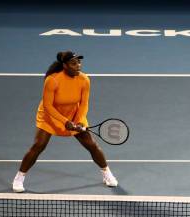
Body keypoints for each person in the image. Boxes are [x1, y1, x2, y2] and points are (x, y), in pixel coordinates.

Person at [12, 51, 118, 192]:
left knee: (91, 144)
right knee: (39, 145)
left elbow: (84, 103)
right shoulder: (53, 80)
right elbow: (47, 106)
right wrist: (65, 121)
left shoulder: (84, 79)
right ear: (65, 65)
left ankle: (106, 173)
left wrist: (79, 120)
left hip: (73, 115)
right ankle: (19, 177)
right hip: (50, 116)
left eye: (79, 62)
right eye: (74, 63)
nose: (78, 66)